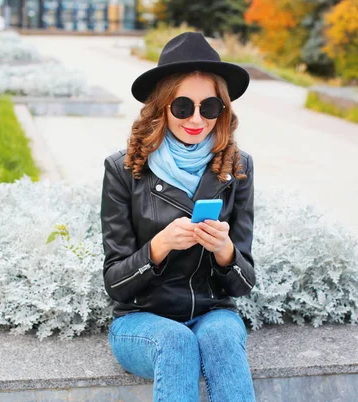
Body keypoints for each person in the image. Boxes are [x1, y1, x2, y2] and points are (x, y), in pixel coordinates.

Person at [101, 32, 256, 402]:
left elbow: (244, 283)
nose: (197, 119)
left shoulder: (238, 167)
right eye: (183, 107)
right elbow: (114, 283)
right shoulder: (123, 169)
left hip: (212, 312)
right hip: (140, 321)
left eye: (210, 107)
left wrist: (225, 251)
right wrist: (158, 246)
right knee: (176, 341)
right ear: (162, 107)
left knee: (220, 336)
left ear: (223, 110)